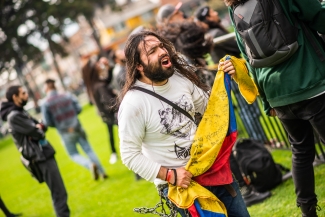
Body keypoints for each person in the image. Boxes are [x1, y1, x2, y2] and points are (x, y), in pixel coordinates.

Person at [118, 30, 250, 216]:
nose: (162, 51)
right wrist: (170, 175)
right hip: (183, 184)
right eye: (152, 51)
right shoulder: (133, 103)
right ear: (139, 66)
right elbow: (129, 155)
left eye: (162, 46)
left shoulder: (179, 79)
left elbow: (209, 109)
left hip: (212, 169)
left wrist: (226, 78)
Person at [224, 0, 325, 216]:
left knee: (300, 151)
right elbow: (318, 16)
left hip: (276, 94)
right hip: (310, 80)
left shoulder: (234, 9)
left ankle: (308, 210)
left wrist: (266, 102)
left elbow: (247, 56)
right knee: (302, 150)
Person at [0, 85, 70, 217]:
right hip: (39, 157)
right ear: (15, 97)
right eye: (23, 93)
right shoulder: (14, 116)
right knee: (59, 193)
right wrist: (38, 128)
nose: (27, 95)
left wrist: (38, 127)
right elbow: (38, 132)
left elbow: (41, 126)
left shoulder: (19, 111)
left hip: (44, 153)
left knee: (59, 192)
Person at [41, 79, 107, 180]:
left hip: (65, 132)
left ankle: (89, 165)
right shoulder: (67, 95)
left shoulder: (46, 103)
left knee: (73, 154)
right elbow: (79, 108)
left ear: (46, 88)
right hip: (77, 127)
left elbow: (48, 122)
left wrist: (60, 125)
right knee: (89, 150)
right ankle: (102, 172)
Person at [82, 57, 119, 164]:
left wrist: (108, 67)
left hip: (106, 115)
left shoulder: (95, 85)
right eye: (97, 65)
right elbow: (110, 103)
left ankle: (113, 153)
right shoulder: (100, 86)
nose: (99, 66)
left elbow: (107, 79)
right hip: (113, 115)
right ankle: (114, 153)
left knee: (111, 134)